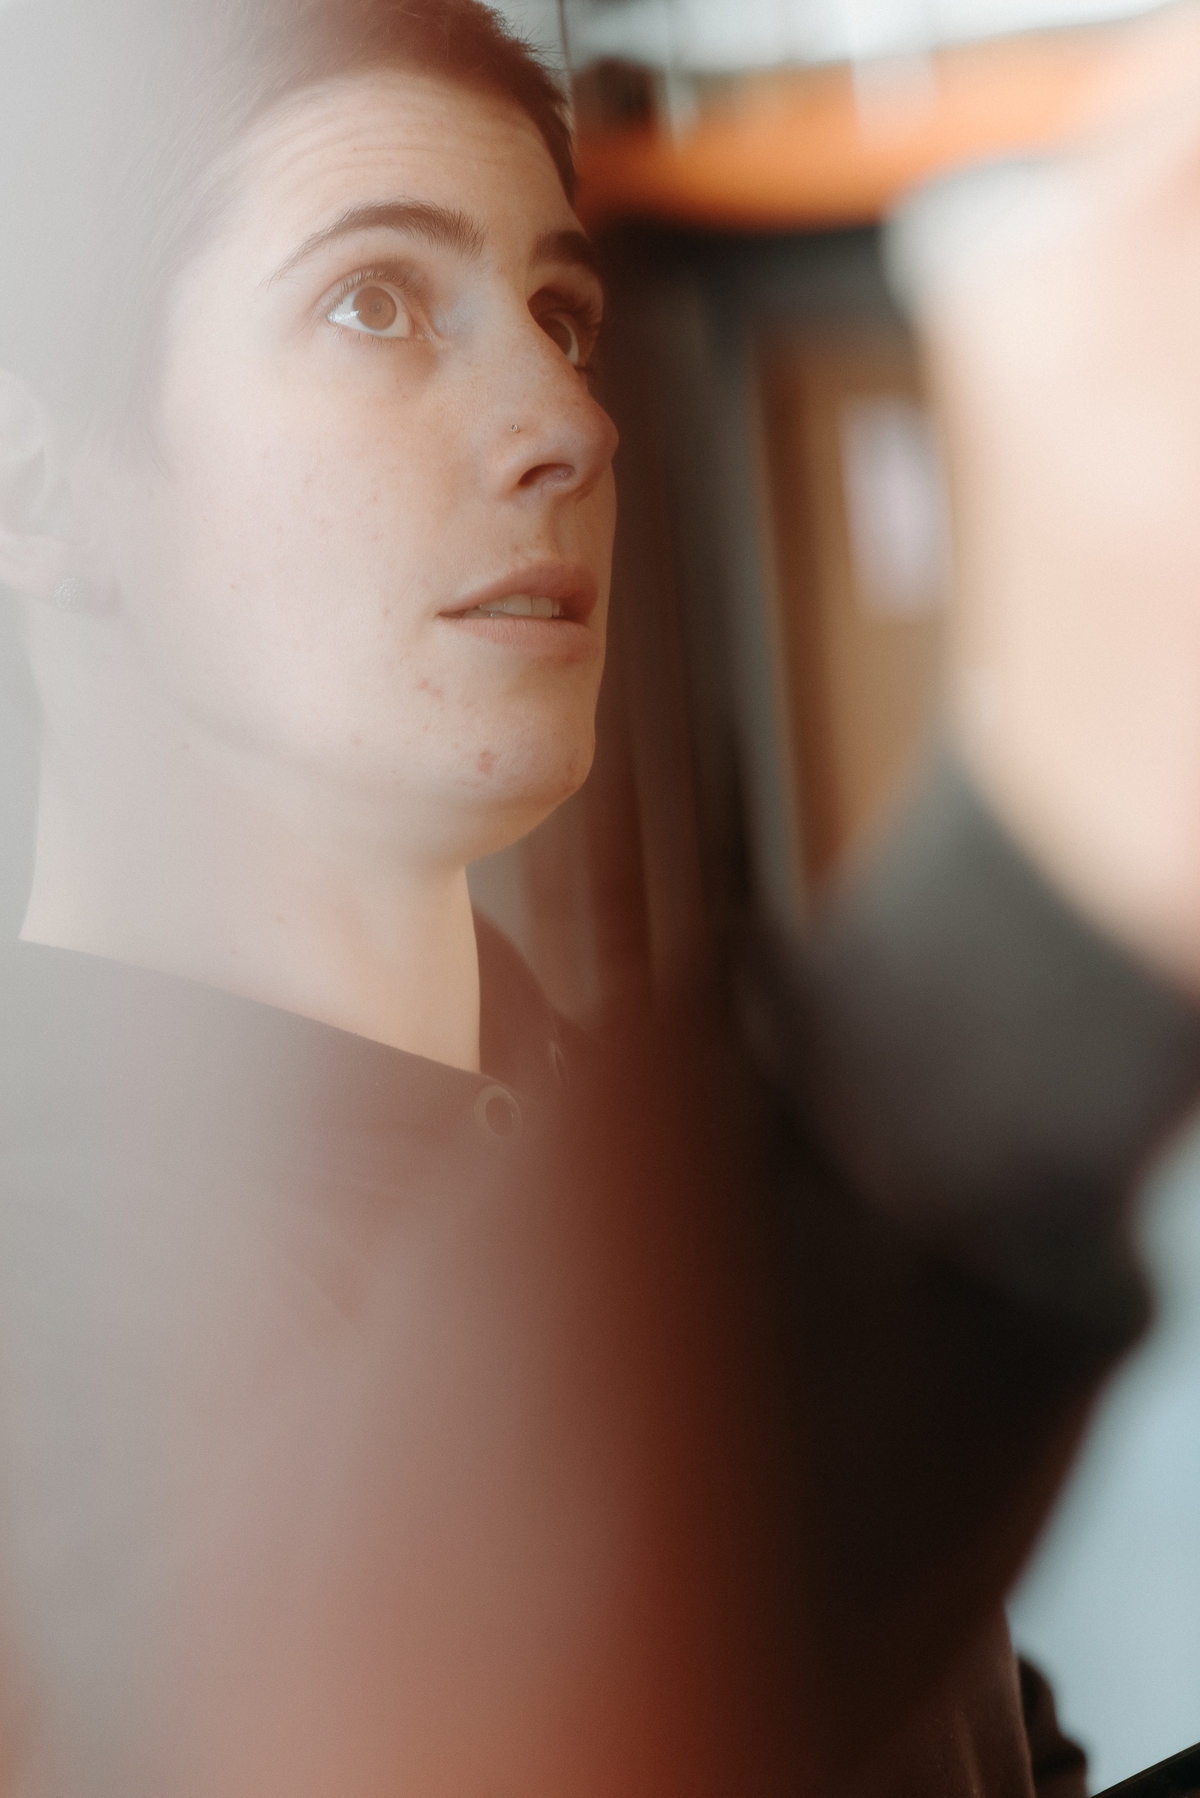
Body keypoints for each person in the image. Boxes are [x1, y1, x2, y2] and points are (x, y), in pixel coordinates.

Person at [1, 0, 1199, 1793]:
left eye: (564, 317)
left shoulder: (623, 1141)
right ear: (34, 481)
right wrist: (1046, 879)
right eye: (374, 301)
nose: (568, 418)